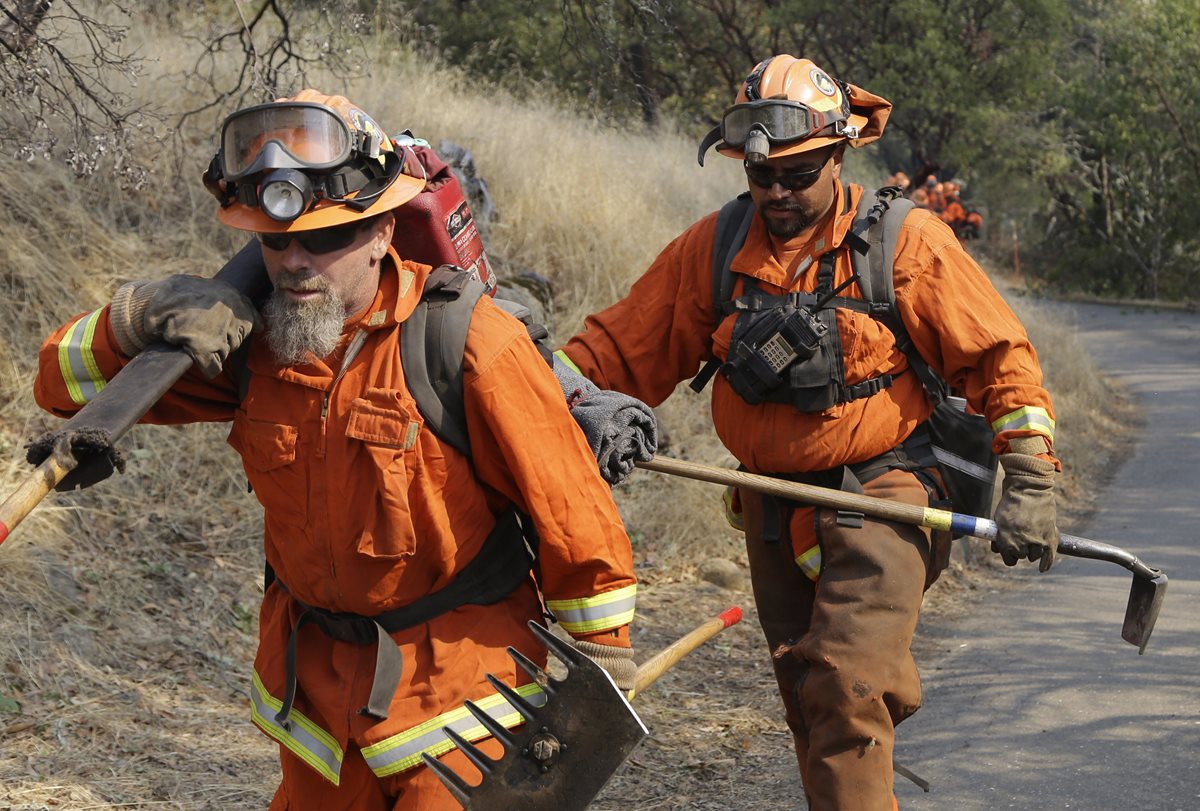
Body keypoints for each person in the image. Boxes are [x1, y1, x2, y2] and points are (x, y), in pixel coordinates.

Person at [32, 90, 639, 810]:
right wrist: (137, 316)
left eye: (323, 239)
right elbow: (65, 387)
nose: (294, 262)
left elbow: (574, 514)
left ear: (383, 231)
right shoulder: (256, 345)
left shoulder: (468, 343)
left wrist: (595, 681)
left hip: (464, 710)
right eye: (275, 241)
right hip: (319, 712)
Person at [558, 55, 1059, 810]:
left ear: (837, 152)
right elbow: (616, 351)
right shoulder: (717, 249)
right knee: (807, 693)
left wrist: (1030, 474)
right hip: (769, 506)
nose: (778, 193)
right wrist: (549, 394)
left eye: (797, 175)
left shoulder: (905, 245)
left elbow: (1001, 359)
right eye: (763, 179)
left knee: (845, 683)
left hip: (888, 493)